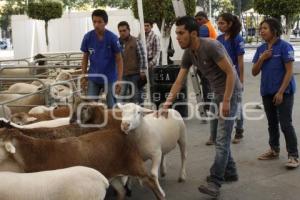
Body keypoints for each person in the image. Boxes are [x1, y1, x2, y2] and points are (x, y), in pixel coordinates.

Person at [159, 16, 242, 198]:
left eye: (181, 33)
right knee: (221, 136)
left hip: (230, 93)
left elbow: (230, 73)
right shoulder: (189, 53)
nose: (178, 37)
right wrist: (166, 104)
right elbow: (179, 81)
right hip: (217, 94)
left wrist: (227, 100)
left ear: (193, 33)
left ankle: (215, 181)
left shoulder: (211, 46)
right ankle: (230, 171)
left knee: (221, 139)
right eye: (176, 33)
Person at [252, 18, 299, 168]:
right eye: (261, 28)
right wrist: (262, 58)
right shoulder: (261, 49)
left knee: (285, 124)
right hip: (266, 91)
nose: (261, 31)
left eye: (265, 28)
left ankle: (294, 156)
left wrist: (280, 92)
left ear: (274, 30)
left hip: (284, 92)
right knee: (272, 123)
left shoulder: (285, 47)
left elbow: (289, 71)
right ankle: (274, 150)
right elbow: (254, 72)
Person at [80, 9, 123, 108]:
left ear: (105, 22)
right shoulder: (87, 37)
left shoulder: (112, 38)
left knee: (111, 106)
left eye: (99, 22)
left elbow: (119, 60)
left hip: (110, 78)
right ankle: (93, 123)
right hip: (93, 78)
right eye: (94, 21)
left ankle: (112, 121)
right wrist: (83, 75)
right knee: (90, 106)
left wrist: (119, 80)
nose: (96, 24)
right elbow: (85, 57)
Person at [213, 13, 245, 144]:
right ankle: (217, 134)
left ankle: (239, 130)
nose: (219, 26)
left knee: (236, 105)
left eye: (222, 23)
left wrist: (241, 81)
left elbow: (241, 62)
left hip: (234, 78)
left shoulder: (237, 39)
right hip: (221, 79)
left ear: (230, 24)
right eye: (218, 23)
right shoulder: (219, 38)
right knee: (220, 105)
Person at [194, 11, 217, 125]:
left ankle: (208, 107)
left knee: (207, 85)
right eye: (196, 20)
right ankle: (209, 105)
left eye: (199, 19)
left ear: (204, 18)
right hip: (210, 60)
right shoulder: (210, 26)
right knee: (208, 84)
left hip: (205, 61)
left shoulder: (203, 28)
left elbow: (199, 44)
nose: (197, 22)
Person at [118, 21, 147, 104]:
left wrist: (142, 71)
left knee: (136, 97)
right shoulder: (116, 43)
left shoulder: (136, 41)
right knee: (121, 97)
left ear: (129, 30)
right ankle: (121, 115)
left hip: (135, 74)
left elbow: (142, 57)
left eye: (124, 30)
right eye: (120, 31)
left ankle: (139, 115)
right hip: (122, 74)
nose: (122, 33)